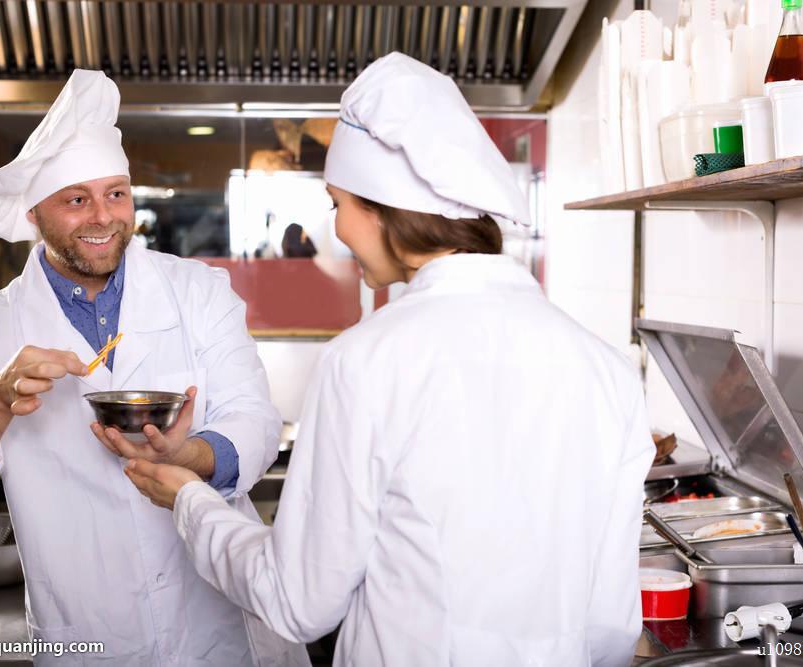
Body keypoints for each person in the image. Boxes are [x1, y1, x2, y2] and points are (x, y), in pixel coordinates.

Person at [124, 53, 654, 666]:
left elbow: (299, 602)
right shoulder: (607, 369)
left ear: (380, 208)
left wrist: (191, 501)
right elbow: (612, 628)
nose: (339, 230)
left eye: (337, 204)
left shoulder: (367, 360)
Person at [0, 70, 307, 667]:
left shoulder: (198, 292)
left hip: (217, 628)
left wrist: (186, 459)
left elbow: (256, 422)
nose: (103, 216)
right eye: (76, 198)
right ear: (35, 213)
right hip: (86, 633)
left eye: (116, 193)